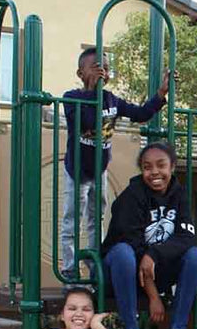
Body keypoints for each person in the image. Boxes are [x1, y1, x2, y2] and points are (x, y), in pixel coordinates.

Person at [60, 47, 171, 280]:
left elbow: (140, 114)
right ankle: (70, 269)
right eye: (97, 67)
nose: (103, 72)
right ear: (81, 73)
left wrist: (160, 94)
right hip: (76, 170)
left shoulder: (112, 100)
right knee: (72, 219)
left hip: (99, 168)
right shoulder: (72, 98)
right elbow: (84, 121)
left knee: (96, 219)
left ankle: (93, 268)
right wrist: (93, 91)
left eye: (107, 68)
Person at [101, 142, 197, 329]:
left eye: (161, 165)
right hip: (122, 272)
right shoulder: (131, 197)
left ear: (173, 167)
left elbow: (186, 237)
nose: (154, 172)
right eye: (147, 167)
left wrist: (154, 254)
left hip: (155, 269)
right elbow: (132, 245)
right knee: (124, 253)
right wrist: (153, 296)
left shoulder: (179, 194)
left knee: (195, 256)